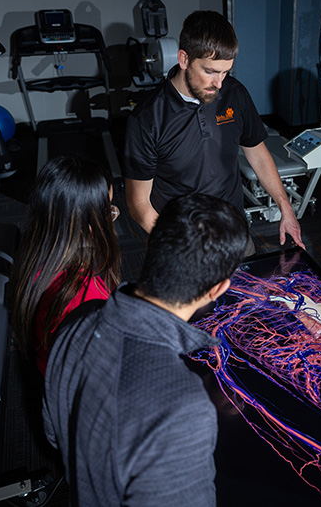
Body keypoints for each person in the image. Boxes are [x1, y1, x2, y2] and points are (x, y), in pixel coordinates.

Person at [42, 193, 248, 506]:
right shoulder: (184, 407)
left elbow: (53, 432)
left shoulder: (75, 322)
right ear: (217, 289)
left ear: (151, 245)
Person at [123, 10, 304, 255]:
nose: (219, 83)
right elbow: (138, 204)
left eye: (225, 72)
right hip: (181, 241)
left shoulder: (234, 93)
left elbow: (258, 154)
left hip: (234, 232)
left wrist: (286, 208)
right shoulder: (147, 118)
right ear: (184, 59)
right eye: (209, 71)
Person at [9, 155, 121, 376]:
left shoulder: (38, 255)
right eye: (107, 210)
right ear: (86, 223)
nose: (111, 217)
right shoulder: (83, 296)